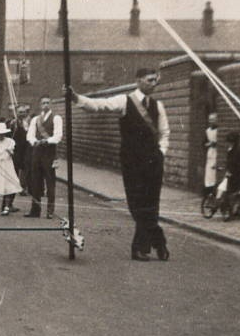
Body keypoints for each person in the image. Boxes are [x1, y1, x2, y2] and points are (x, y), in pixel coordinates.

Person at [72, 68, 170, 260]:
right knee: (136, 204)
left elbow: (165, 133)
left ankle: (139, 249)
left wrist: (161, 153)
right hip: (132, 162)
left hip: (153, 162)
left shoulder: (158, 106)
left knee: (151, 205)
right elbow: (100, 105)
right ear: (139, 80)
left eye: (155, 80)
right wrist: (77, 98)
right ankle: (159, 240)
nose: (153, 83)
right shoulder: (125, 101)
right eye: (150, 80)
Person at [25, 96, 62, 218]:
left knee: (50, 183)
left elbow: (58, 136)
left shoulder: (56, 118)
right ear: (40, 105)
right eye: (43, 103)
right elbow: (30, 135)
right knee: (35, 182)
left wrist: (46, 141)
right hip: (37, 153)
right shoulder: (36, 119)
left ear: (51, 104)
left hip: (49, 153)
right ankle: (35, 210)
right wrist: (34, 141)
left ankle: (50, 211)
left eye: (47, 102)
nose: (45, 105)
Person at [0, 122, 22, 215]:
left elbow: (12, 154)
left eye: (2, 134)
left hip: (8, 164)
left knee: (8, 185)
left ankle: (6, 207)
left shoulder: (10, 142)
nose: (1, 136)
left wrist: (9, 151)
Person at [224, 131, 240, 219]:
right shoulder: (231, 150)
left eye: (230, 142)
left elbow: (237, 163)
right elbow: (229, 162)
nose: (229, 144)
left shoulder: (238, 151)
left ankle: (232, 211)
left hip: (239, 176)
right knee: (237, 193)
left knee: (234, 194)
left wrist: (230, 171)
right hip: (235, 175)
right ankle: (238, 211)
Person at [11, 105, 30, 202]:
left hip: (26, 150)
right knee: (14, 172)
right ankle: (11, 197)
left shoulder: (28, 123)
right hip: (16, 151)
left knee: (26, 170)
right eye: (20, 112)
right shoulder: (13, 123)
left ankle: (23, 187)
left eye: (23, 112)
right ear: (17, 113)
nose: (22, 114)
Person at [202, 112, 219, 198]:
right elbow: (204, 143)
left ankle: (214, 191)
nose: (211, 121)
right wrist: (208, 144)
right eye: (210, 120)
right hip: (210, 153)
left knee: (215, 172)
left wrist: (215, 143)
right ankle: (208, 192)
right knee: (209, 173)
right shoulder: (207, 131)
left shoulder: (219, 130)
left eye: (213, 119)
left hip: (217, 152)